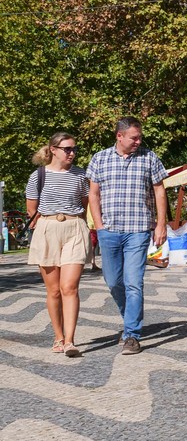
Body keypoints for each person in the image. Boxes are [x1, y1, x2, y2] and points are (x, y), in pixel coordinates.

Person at [87, 117, 168, 355]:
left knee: (134, 283)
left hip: (139, 230)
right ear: (119, 136)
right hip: (109, 230)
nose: (138, 141)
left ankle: (132, 335)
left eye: (140, 137)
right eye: (134, 137)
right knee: (113, 282)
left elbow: (159, 191)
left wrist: (160, 224)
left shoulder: (149, 157)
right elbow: (93, 194)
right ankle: (129, 318)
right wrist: (100, 226)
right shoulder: (100, 158)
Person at [25, 132, 92, 358]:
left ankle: (70, 341)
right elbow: (31, 209)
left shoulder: (81, 175)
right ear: (53, 150)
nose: (72, 153)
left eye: (74, 149)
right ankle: (58, 337)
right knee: (53, 291)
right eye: (67, 149)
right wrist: (46, 226)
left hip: (74, 227)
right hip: (48, 228)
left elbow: (84, 203)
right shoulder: (38, 175)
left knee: (69, 287)